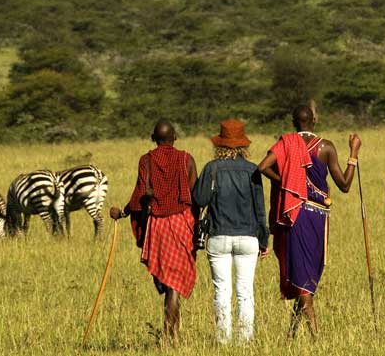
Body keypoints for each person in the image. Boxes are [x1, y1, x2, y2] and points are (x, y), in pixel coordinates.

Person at [257, 104, 361, 339]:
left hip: (294, 212)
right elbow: (345, 185)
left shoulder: (285, 143)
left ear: (294, 122)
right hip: (317, 216)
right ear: (313, 121)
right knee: (306, 272)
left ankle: (291, 335)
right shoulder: (326, 147)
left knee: (304, 272)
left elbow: (262, 167)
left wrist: (285, 182)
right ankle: (316, 337)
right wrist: (353, 153)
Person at [108, 120, 197, 344]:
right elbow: (195, 196)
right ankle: (171, 335)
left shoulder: (146, 161)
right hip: (182, 223)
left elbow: (138, 196)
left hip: (157, 225)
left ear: (153, 138)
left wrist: (123, 212)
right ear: (175, 137)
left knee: (170, 284)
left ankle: (169, 336)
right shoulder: (186, 159)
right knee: (173, 284)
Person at [192, 119, 269, 344]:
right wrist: (263, 240)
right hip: (248, 237)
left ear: (219, 144)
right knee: (245, 292)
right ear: (243, 144)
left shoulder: (212, 168)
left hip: (219, 236)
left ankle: (223, 340)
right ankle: (244, 341)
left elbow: (200, 199)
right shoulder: (253, 170)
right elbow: (260, 209)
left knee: (222, 291)